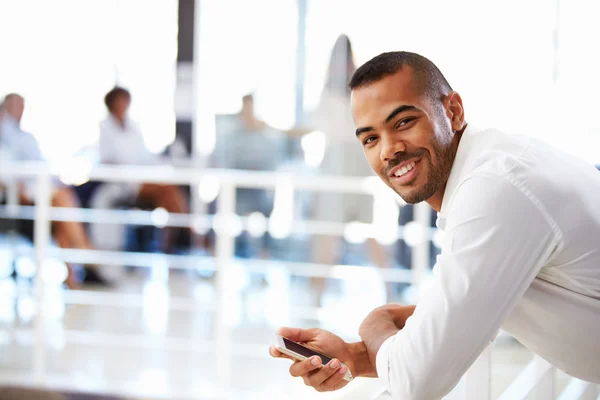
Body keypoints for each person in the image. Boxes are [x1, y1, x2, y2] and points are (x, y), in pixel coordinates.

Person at [270, 51, 600, 398]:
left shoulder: (496, 190)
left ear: (453, 111)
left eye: (403, 123)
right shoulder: (492, 166)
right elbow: (470, 311)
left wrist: (376, 327)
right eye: (370, 139)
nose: (388, 150)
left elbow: (417, 383)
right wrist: (355, 356)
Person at [302, 35, 392, 304]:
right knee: (332, 235)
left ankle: (390, 290)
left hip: (350, 166)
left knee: (350, 232)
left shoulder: (355, 90)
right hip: (345, 166)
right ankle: (317, 296)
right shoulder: (345, 91)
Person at [0, 93, 105, 288]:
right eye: (14, 107)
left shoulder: (25, 137)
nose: (19, 111)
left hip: (39, 192)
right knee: (61, 202)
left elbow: (40, 165)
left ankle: (73, 274)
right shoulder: (5, 137)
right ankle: (85, 250)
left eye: (22, 106)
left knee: (61, 213)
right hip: (18, 198)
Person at [99, 87, 190, 254]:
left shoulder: (133, 127)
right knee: (167, 191)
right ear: (112, 104)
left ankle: (173, 242)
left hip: (141, 179)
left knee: (168, 193)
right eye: (119, 101)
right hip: (123, 185)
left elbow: (145, 158)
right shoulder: (105, 129)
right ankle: (189, 235)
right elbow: (107, 159)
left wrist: (164, 160)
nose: (123, 105)